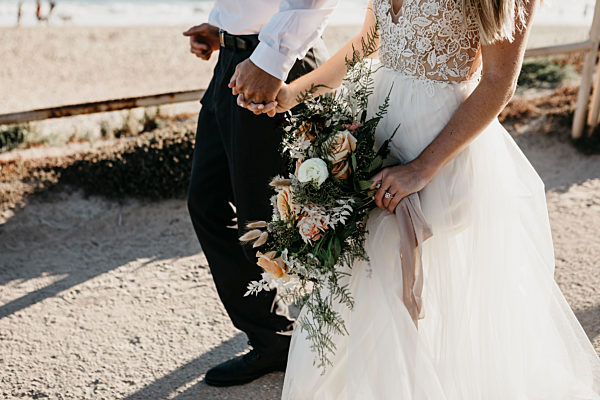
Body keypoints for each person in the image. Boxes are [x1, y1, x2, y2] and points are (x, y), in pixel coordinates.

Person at [241, 0, 600, 397]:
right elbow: (369, 41)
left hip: (440, 146)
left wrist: (422, 168)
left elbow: (500, 81)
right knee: (362, 282)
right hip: (377, 130)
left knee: (406, 281)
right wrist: (294, 93)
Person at [183, 0, 338, 388]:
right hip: (234, 61)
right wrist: (222, 28)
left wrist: (271, 57)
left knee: (274, 218)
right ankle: (272, 337)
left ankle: (337, 333)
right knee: (207, 202)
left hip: (275, 64)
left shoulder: (273, 57)